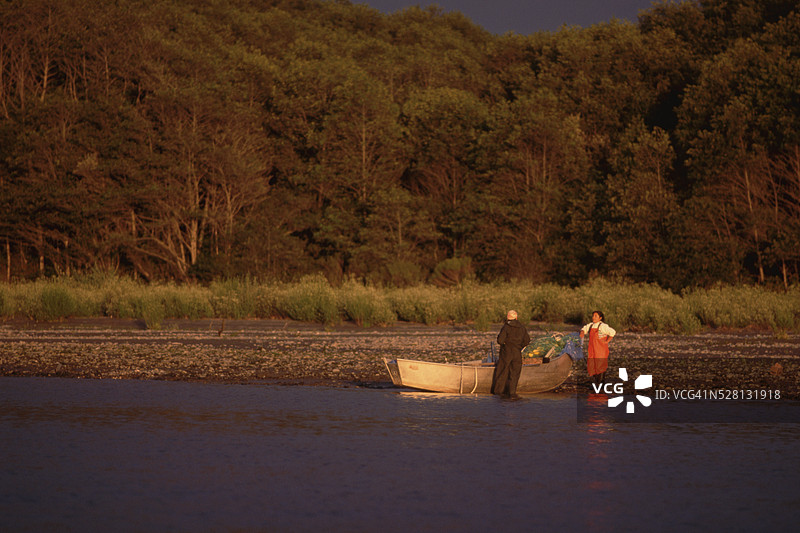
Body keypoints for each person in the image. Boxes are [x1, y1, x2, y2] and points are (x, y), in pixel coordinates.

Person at [491, 310, 531, 397]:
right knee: (515, 374)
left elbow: (500, 340)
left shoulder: (506, 327)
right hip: (517, 353)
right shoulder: (522, 327)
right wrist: (519, 346)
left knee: (502, 371)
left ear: (507, 317)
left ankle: (498, 393)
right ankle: (512, 393)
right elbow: (527, 340)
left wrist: (505, 343)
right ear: (516, 318)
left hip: (506, 352)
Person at [580, 310, 616, 386]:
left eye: (596, 316)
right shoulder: (590, 325)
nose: (593, 317)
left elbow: (612, 332)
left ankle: (599, 384)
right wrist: (582, 332)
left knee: (600, 365)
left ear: (600, 318)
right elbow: (584, 329)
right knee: (592, 365)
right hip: (592, 349)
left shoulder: (603, 326)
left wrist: (607, 341)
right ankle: (600, 383)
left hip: (601, 349)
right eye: (593, 316)